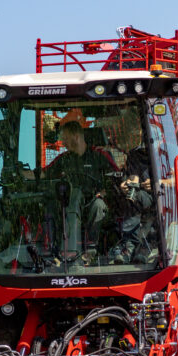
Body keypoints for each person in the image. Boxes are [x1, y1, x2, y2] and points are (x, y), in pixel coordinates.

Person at [46, 109, 117, 259]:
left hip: (92, 204)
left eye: (65, 138)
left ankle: (91, 250)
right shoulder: (64, 159)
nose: (63, 142)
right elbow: (43, 174)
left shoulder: (100, 155)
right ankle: (52, 251)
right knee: (51, 204)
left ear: (76, 136)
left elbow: (117, 178)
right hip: (68, 207)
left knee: (98, 205)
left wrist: (104, 192)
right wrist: (20, 173)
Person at [107, 117, 155, 264]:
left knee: (136, 200)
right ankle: (133, 248)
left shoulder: (165, 151)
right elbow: (133, 177)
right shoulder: (135, 155)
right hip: (142, 196)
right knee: (131, 196)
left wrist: (157, 183)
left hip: (161, 196)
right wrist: (127, 184)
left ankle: (129, 246)